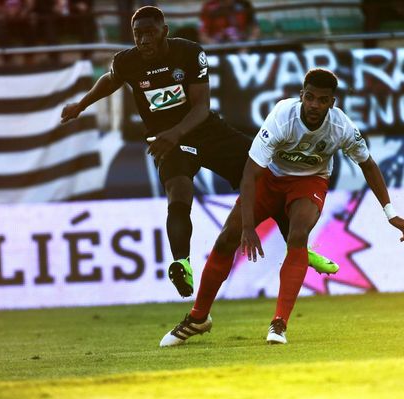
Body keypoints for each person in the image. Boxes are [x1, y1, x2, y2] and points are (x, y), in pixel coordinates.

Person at [60, 6, 338, 300]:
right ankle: (181, 263)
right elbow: (111, 79)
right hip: (168, 141)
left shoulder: (190, 54)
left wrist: (174, 133)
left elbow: (201, 107)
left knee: (264, 176)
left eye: (150, 33)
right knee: (178, 192)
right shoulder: (127, 61)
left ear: (164, 31)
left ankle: (299, 248)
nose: (144, 40)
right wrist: (81, 105)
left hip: (205, 131)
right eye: (138, 34)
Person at [159, 68, 404, 347]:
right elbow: (250, 173)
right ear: (302, 95)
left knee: (298, 234)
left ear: (332, 103)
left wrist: (390, 213)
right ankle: (198, 317)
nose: (314, 105)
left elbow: (368, 165)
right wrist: (249, 227)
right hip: (269, 178)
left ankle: (279, 324)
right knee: (228, 237)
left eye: (322, 100)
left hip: (309, 182)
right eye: (309, 97)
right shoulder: (282, 116)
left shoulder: (342, 128)